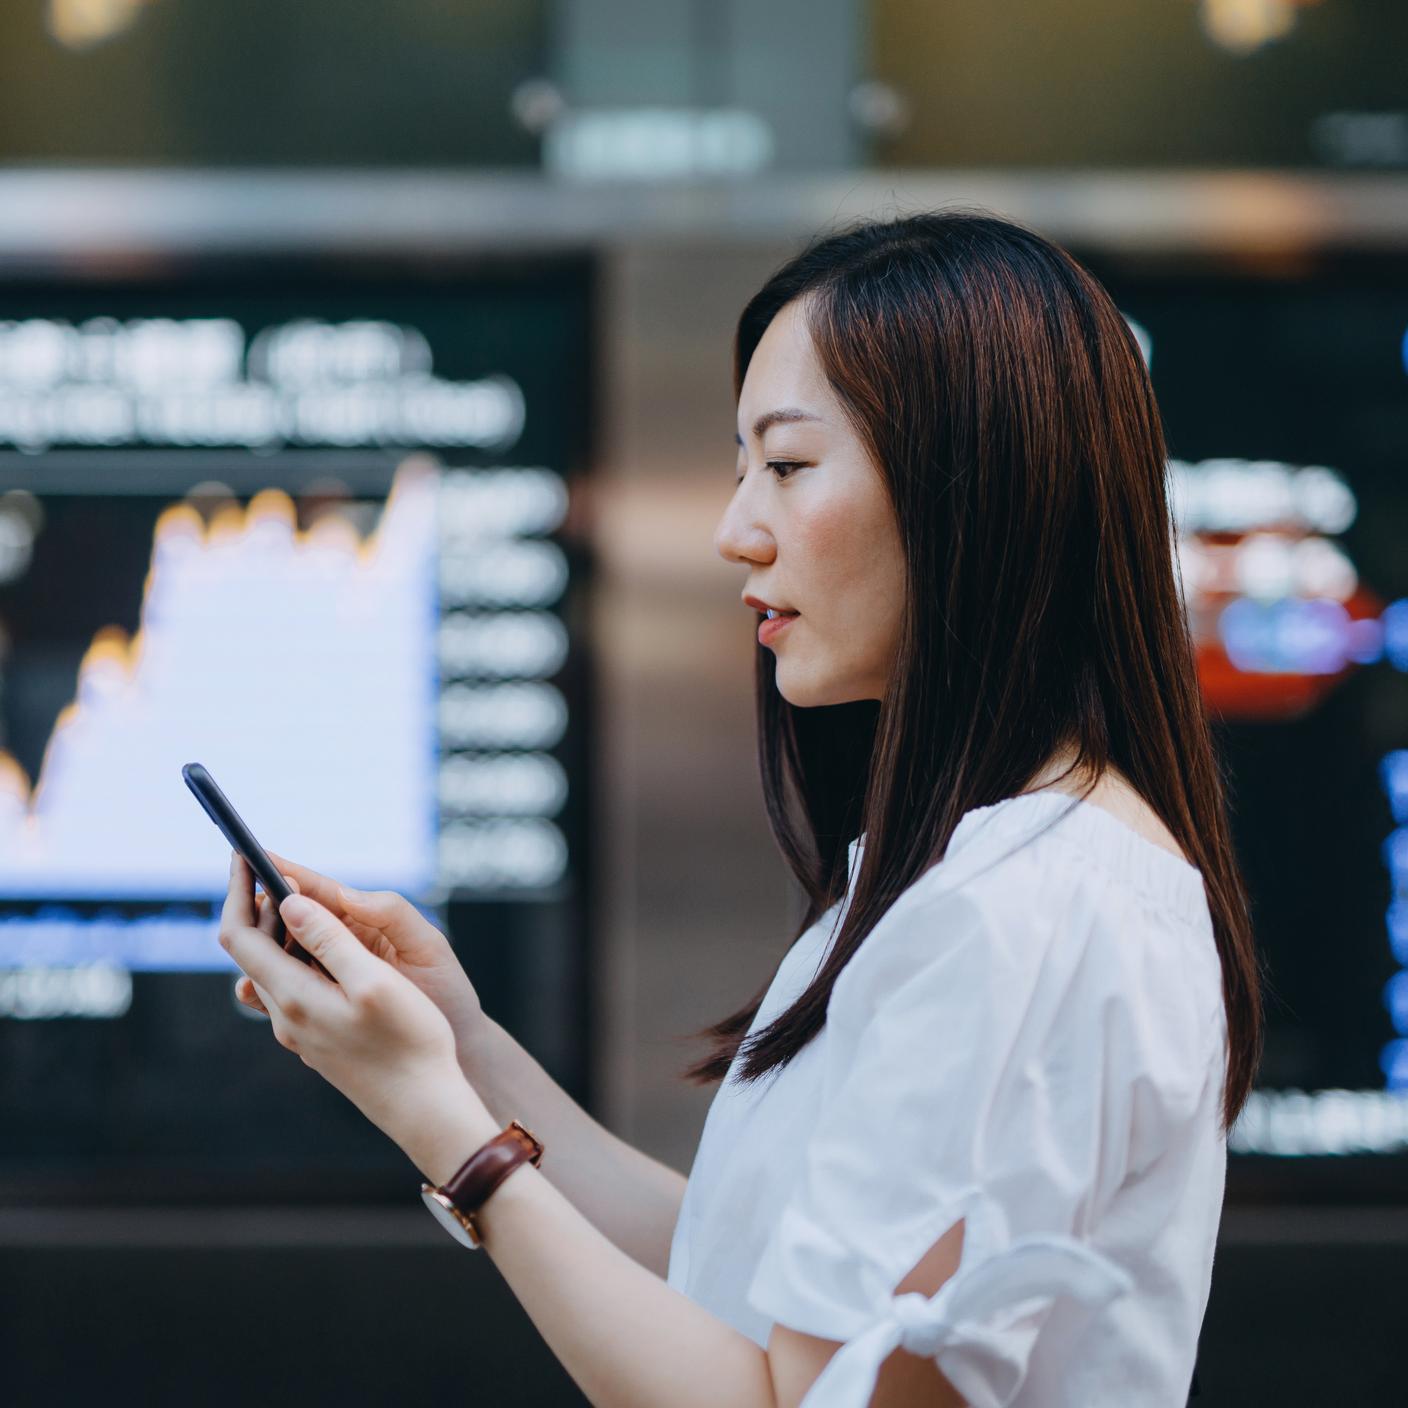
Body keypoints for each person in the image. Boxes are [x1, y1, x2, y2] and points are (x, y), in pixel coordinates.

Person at [220, 208, 1261, 1407]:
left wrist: (441, 1127)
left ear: (976, 485)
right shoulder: (990, 871)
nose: (733, 531)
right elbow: (745, 1281)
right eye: (739, 468)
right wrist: (462, 1050)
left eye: (788, 465)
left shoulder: (1019, 909)